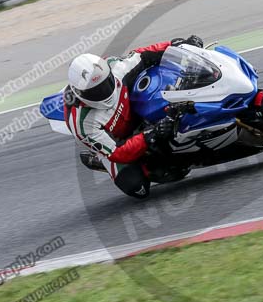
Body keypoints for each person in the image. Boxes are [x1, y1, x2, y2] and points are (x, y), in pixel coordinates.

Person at [64, 35, 203, 198]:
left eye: (106, 83)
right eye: (96, 91)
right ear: (81, 94)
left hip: (133, 111)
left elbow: (143, 55)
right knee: (139, 188)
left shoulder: (115, 68)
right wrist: (153, 133)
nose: (104, 92)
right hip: (116, 143)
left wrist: (176, 45)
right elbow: (118, 152)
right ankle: (99, 158)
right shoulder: (82, 122)